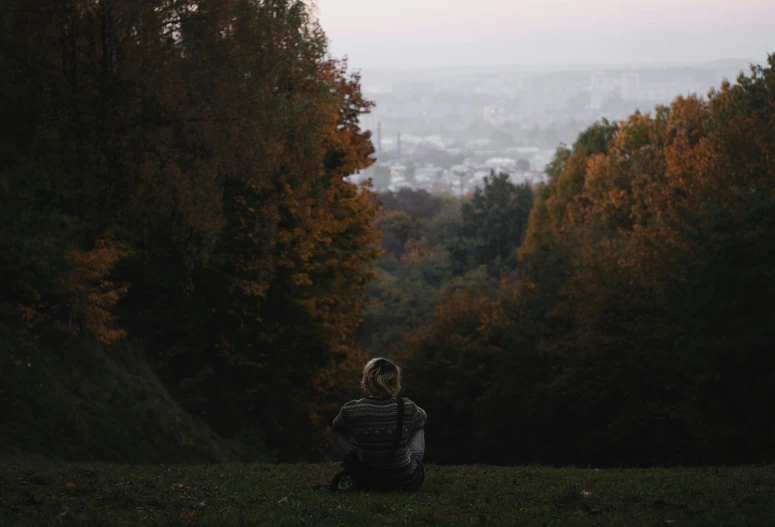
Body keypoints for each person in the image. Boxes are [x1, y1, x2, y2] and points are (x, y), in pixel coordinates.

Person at [330, 357, 426, 491]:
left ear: (366, 380)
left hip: (368, 481)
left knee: (342, 430)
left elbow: (336, 426)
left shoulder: (350, 409)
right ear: (395, 381)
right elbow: (423, 418)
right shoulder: (408, 407)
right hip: (406, 482)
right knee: (418, 428)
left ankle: (354, 465)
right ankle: (403, 461)